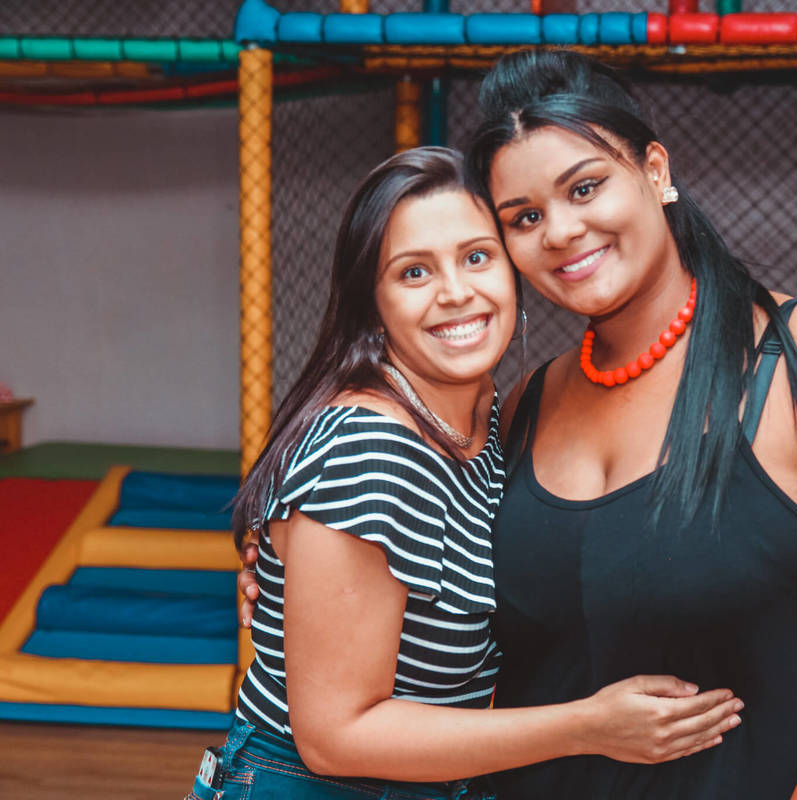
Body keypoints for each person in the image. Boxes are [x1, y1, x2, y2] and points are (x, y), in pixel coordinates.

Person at [242, 49, 797, 797]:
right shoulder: (525, 405)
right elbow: (389, 560)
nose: (560, 231)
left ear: (654, 171)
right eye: (525, 218)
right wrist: (286, 568)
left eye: (585, 187)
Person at [199, 147, 743, 800]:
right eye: (414, 272)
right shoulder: (370, 448)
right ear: (373, 302)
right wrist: (590, 727)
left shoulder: (485, 423)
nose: (456, 292)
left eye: (477, 257)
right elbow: (334, 737)